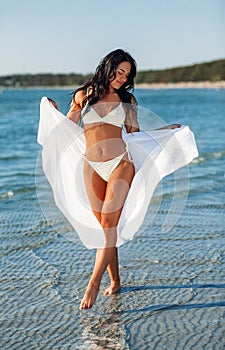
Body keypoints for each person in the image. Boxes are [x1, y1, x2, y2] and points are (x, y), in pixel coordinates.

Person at [38, 49, 197, 311]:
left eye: (127, 74)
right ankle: (116, 280)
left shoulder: (128, 100)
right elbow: (67, 127)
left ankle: (93, 282)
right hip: (91, 167)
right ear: (108, 67)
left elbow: (135, 135)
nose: (123, 78)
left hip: (120, 165)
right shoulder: (83, 95)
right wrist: (52, 112)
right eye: (120, 71)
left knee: (110, 223)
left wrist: (166, 131)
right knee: (105, 230)